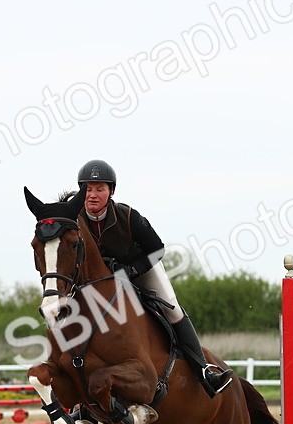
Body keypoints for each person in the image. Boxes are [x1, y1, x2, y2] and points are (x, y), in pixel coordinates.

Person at [74, 158, 232, 398]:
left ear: (111, 192)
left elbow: (157, 249)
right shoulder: (75, 220)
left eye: (100, 189)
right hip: (102, 282)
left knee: (173, 309)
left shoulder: (128, 216)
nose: (92, 195)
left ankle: (205, 371)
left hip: (141, 270)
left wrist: (131, 271)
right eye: (87, 188)